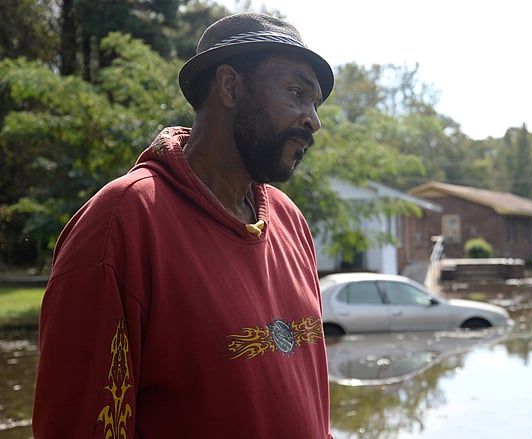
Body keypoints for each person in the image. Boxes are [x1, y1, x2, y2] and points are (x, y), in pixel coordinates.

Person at [32, 12, 335, 438]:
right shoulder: (123, 222)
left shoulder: (290, 221)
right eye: (296, 92)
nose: (312, 120)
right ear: (230, 86)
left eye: (315, 103)